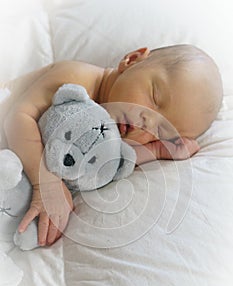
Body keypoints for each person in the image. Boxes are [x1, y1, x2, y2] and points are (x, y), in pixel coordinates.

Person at [0, 44, 223, 247]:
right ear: (132, 59)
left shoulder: (113, 130)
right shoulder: (77, 78)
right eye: (155, 97)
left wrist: (156, 151)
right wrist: (46, 185)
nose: (147, 122)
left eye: (161, 131)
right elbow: (18, 117)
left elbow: (112, 160)